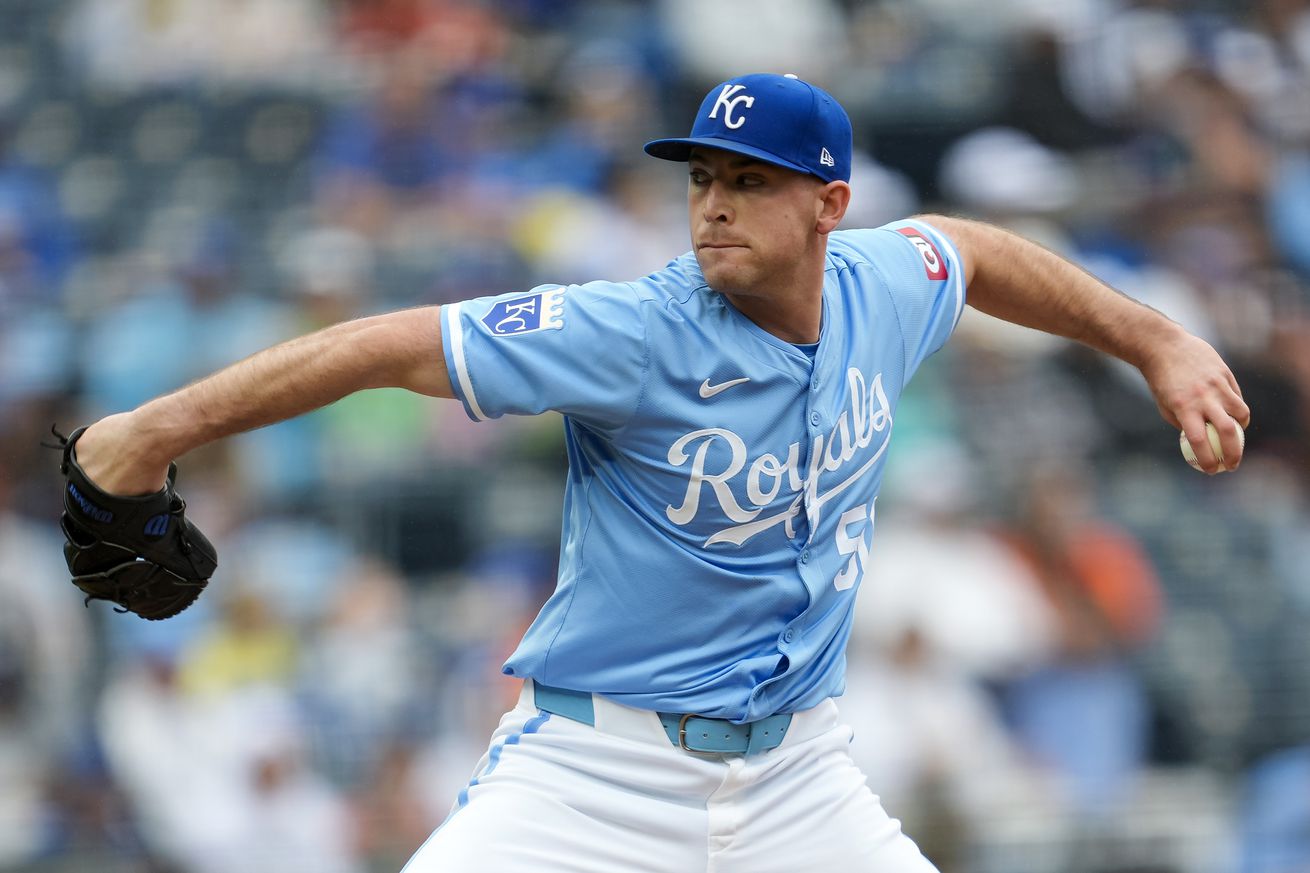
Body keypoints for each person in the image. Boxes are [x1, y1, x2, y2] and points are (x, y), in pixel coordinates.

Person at [69, 73, 1250, 872]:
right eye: (699, 180)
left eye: (748, 182)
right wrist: (152, 431)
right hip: (593, 774)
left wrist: (1155, 338)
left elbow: (977, 252)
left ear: (829, 205)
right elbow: (384, 343)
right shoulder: (631, 329)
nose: (711, 207)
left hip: (801, 780)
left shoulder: (881, 285)